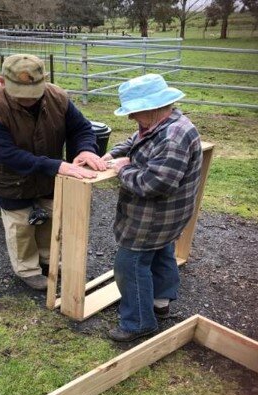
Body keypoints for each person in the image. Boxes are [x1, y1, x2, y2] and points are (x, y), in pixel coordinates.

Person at [0, 54, 106, 290]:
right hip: (9, 177)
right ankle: (27, 269)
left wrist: (85, 150)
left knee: (51, 217)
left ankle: (47, 259)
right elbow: (7, 154)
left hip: (47, 174)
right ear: (1, 81)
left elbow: (81, 128)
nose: (28, 101)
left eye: (34, 94)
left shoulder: (58, 97)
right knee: (20, 224)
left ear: (45, 80)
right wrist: (58, 166)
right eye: (20, 95)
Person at [100, 74, 203, 342]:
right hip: (168, 216)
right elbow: (137, 140)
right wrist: (112, 154)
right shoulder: (162, 123)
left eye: (134, 112)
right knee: (161, 253)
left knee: (130, 264)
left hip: (154, 216)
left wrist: (123, 169)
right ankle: (160, 302)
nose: (131, 118)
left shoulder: (173, 137)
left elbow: (154, 184)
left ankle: (138, 322)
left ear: (152, 106)